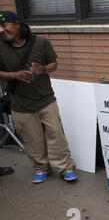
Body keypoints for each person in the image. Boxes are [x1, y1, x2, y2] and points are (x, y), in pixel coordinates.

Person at [0, 11, 77, 184]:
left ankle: (65, 168)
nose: (1, 30)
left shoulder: (40, 42)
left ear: (17, 24)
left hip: (45, 99)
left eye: (4, 25)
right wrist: (14, 75)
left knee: (56, 135)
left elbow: (54, 64)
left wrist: (41, 70)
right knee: (31, 139)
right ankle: (40, 168)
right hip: (19, 103)